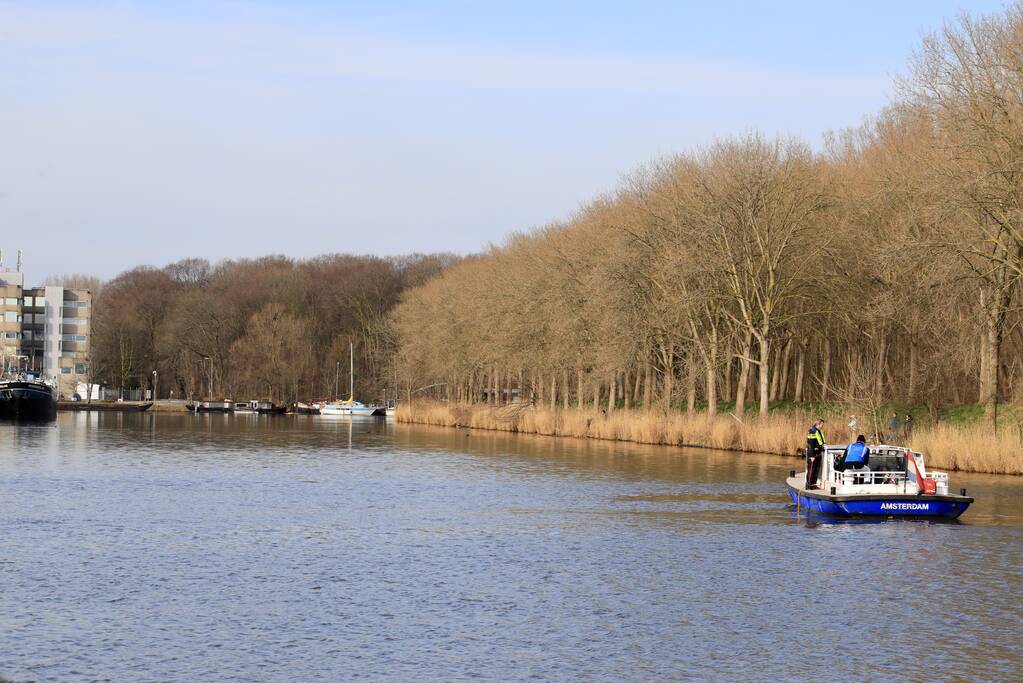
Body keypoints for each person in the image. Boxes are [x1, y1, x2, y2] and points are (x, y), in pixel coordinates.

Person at [805, 418, 826, 489]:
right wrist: (812, 456)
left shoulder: (819, 431)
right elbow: (810, 444)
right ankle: (808, 485)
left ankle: (813, 484)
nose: (822, 426)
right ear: (818, 424)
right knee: (812, 469)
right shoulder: (812, 431)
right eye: (822, 424)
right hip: (813, 454)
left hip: (818, 453)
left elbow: (821, 442)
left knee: (817, 469)